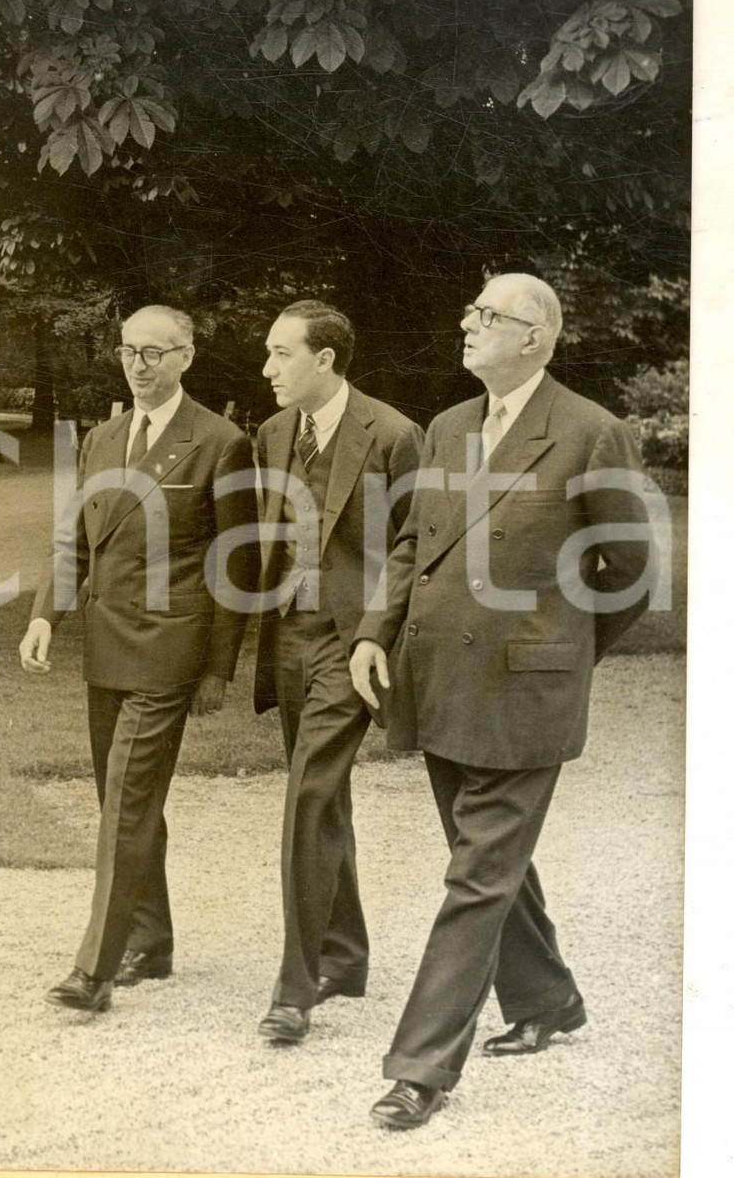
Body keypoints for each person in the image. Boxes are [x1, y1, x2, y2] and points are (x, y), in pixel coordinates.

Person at [349, 273, 658, 1129]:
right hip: (439, 680)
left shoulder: (593, 431)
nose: (468, 322)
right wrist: (375, 630)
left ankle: (420, 1068)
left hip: (526, 695)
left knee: (475, 874)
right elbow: (416, 540)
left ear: (536, 337)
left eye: (488, 315)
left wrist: (565, 649)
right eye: (471, 310)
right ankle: (549, 1000)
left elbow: (628, 570)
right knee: (487, 857)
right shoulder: (450, 426)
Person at [19, 304, 259, 1013]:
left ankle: (93, 968)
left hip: (170, 651)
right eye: (129, 351)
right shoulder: (102, 437)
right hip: (105, 645)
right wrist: (44, 614)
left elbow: (236, 564)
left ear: (186, 356)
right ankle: (151, 942)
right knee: (122, 801)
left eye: (155, 352)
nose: (139, 364)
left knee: (125, 800)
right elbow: (75, 539)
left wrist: (217, 668)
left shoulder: (221, 441)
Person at [253, 300, 423, 1044]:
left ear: (325, 360)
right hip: (288, 634)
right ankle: (346, 956)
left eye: (281, 354)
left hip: (353, 644)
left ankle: (297, 986)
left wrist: (376, 636)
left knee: (306, 795)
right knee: (323, 797)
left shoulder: (392, 434)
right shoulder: (272, 433)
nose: (267, 368)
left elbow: (418, 546)